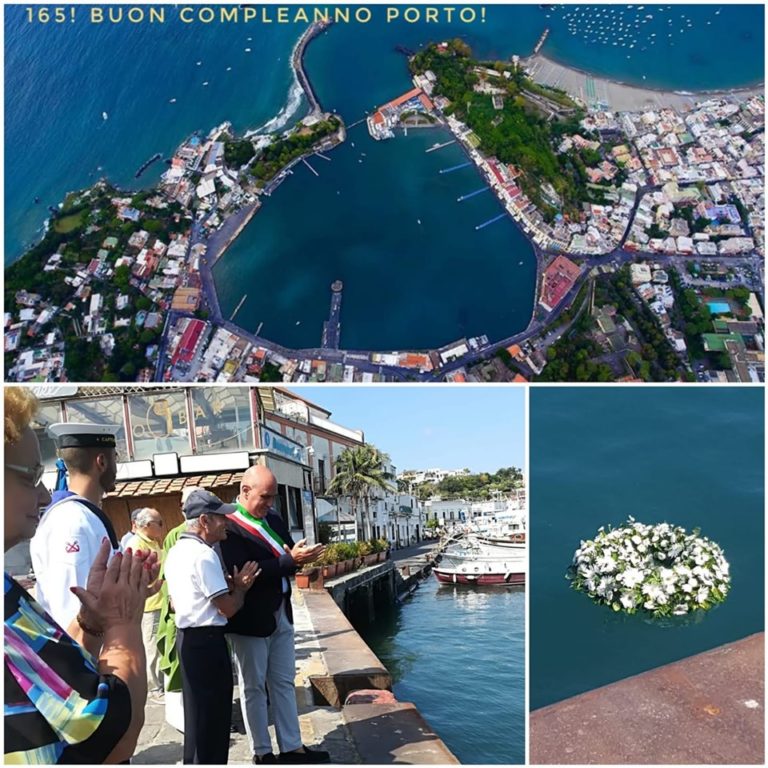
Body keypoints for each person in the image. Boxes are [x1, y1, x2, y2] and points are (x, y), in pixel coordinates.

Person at [4, 387, 161, 764]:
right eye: (30, 477)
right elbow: (108, 736)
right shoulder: (72, 521)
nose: (44, 497)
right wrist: (122, 622)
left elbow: (49, 654)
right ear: (102, 461)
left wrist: (91, 622)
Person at [220, 465, 329, 764]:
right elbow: (243, 572)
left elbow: (285, 558)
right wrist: (288, 561)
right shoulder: (229, 526)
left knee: (283, 682)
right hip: (250, 619)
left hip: (281, 610)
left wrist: (299, 558)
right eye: (265, 497)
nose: (270, 503)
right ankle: (262, 752)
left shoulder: (274, 519)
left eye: (273, 497)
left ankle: (292, 748)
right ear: (245, 491)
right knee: (253, 687)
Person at [164, 489, 260, 765]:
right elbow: (227, 608)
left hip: (187, 638)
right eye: (221, 518)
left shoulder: (176, 551)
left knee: (197, 717)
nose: (226, 522)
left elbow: (174, 603)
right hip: (207, 641)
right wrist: (240, 589)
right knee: (213, 718)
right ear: (205, 521)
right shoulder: (203, 555)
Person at [30, 421, 122, 629]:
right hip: (87, 645)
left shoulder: (81, 515)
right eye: (115, 458)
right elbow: (71, 607)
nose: (116, 466)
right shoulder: (72, 521)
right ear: (101, 462)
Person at [125, 507, 165, 698]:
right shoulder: (136, 545)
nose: (163, 527)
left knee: (159, 645)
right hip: (149, 605)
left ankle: (161, 684)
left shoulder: (153, 542)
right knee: (152, 647)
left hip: (160, 601)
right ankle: (154, 687)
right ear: (148, 525)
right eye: (160, 523)